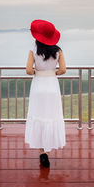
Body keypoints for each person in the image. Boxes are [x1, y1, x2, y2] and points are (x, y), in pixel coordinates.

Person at [24, 19, 67, 168]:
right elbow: (63, 70)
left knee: (39, 116)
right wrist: (51, 72)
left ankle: (42, 151)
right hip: (52, 86)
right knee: (50, 116)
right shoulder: (58, 51)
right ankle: (47, 152)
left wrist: (39, 72)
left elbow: (29, 70)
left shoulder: (33, 51)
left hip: (38, 87)